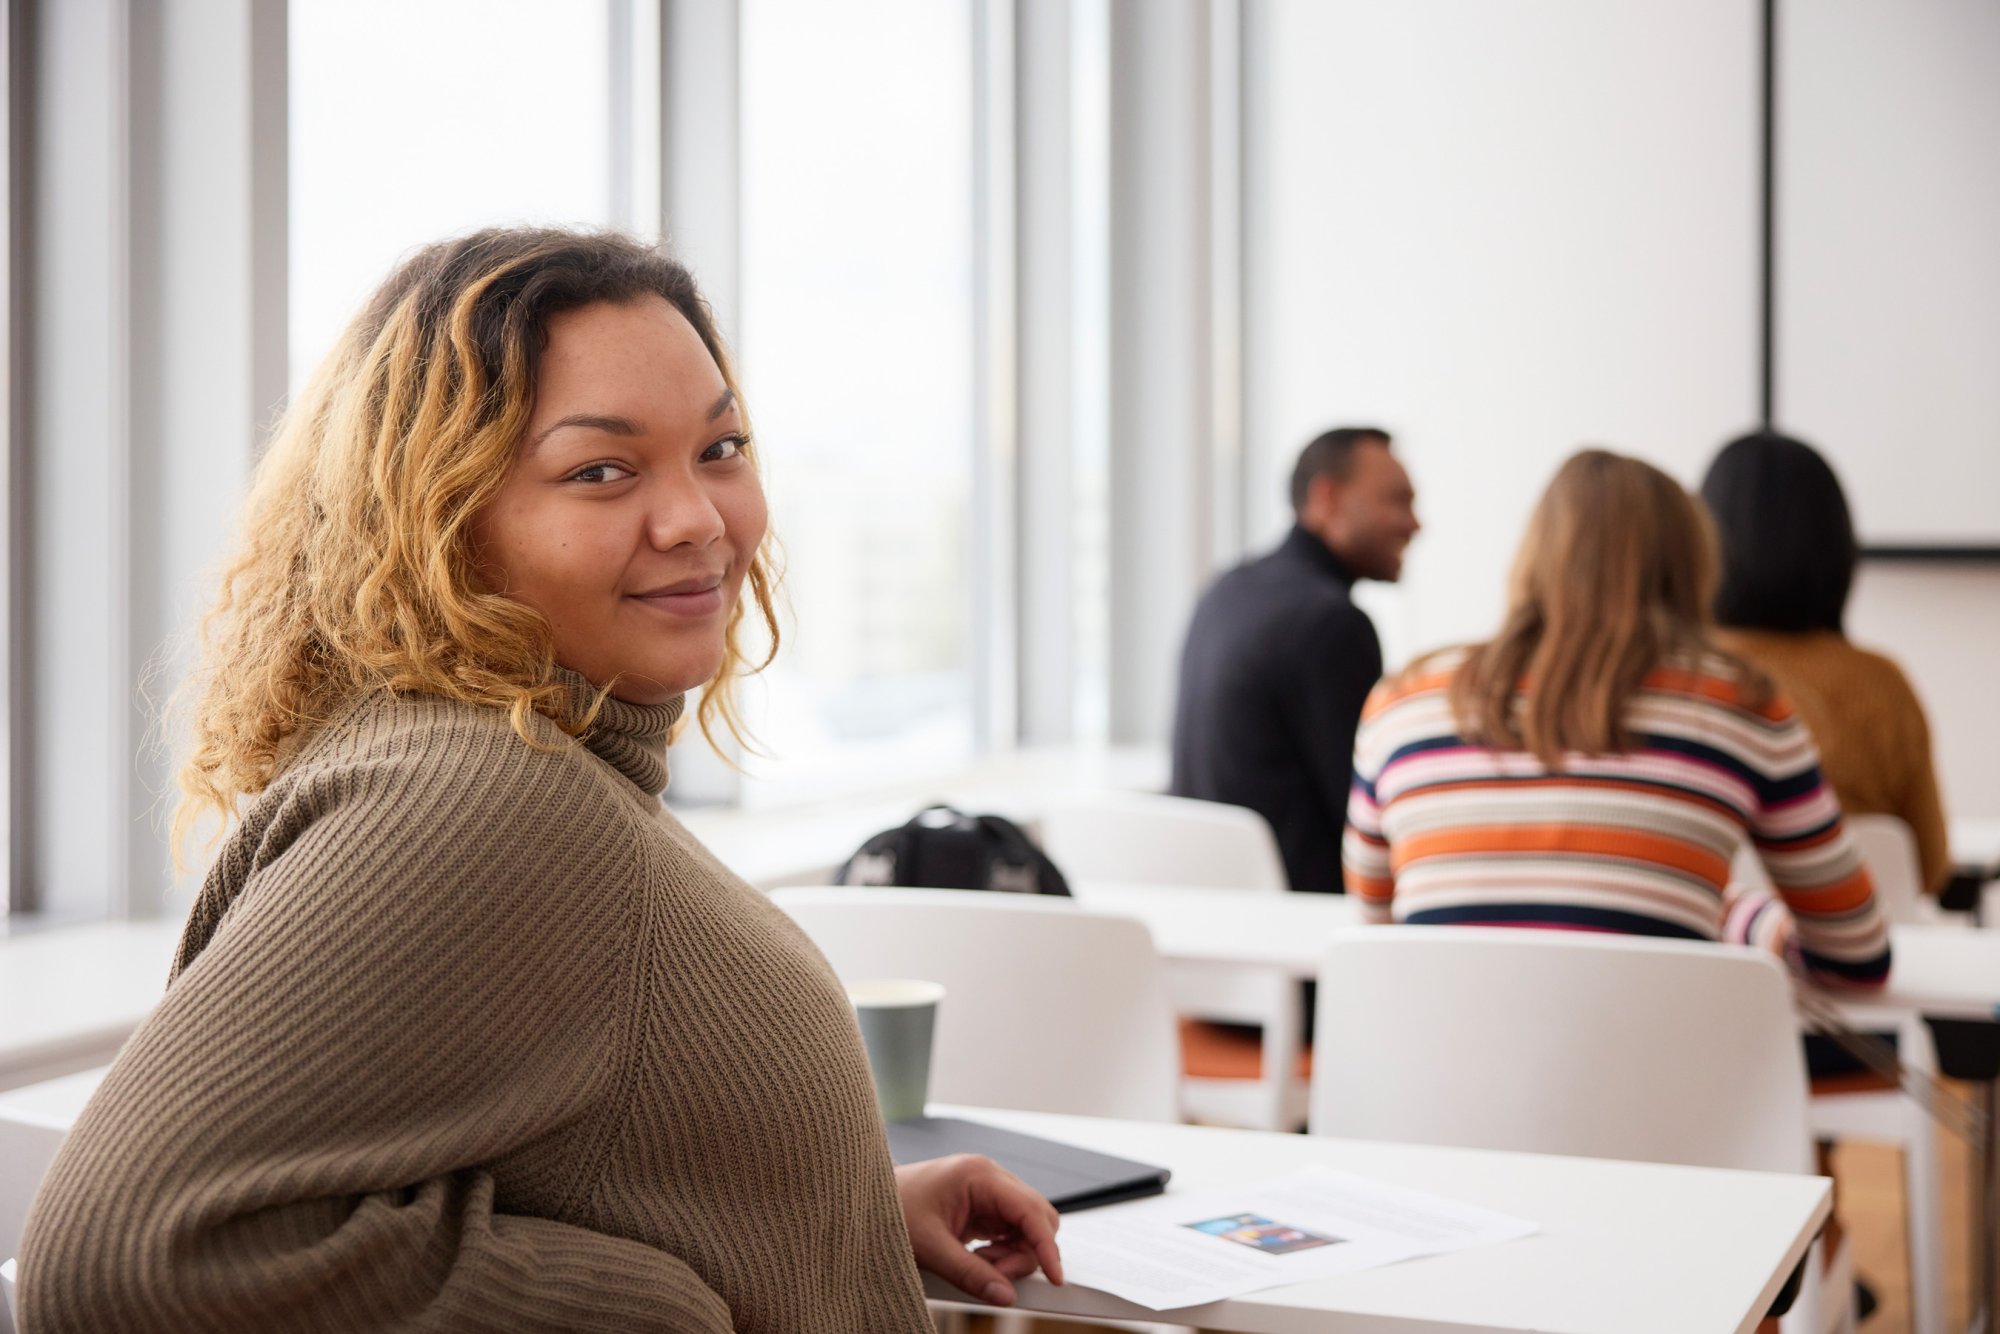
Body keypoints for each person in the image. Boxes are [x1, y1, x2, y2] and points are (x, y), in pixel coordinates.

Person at [18, 229, 1062, 1332]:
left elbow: (533, 1161)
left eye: (720, 446)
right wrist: (668, 1307)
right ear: (439, 520)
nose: (698, 519)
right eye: (600, 470)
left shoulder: (519, 763)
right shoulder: (478, 799)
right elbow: (122, 1259)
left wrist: (823, 1209)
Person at [1343, 449, 1890, 989]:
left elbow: (1376, 924)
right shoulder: (1740, 707)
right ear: (1692, 565)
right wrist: (1735, 915)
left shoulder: (1401, 701)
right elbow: (1856, 955)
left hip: (1437, 1073)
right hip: (1656, 1077)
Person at [1701, 429, 1951, 895]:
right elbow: (1931, 869)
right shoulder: (1882, 687)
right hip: (1863, 945)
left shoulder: (1678, 679)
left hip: (1707, 956)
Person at [1172, 427, 1420, 893]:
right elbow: (1368, 816)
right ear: (1327, 498)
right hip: (1308, 929)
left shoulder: (1225, 590)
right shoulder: (1332, 624)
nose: (1414, 524)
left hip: (1214, 918)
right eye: (1398, 501)